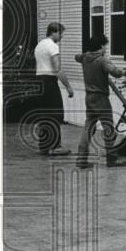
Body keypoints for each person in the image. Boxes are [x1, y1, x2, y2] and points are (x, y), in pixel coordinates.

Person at [74, 34, 126, 168]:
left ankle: (81, 159)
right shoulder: (102, 60)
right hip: (100, 98)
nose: (106, 47)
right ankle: (112, 159)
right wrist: (125, 72)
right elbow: (115, 72)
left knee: (88, 127)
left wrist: (87, 54)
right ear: (100, 46)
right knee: (108, 128)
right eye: (105, 45)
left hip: (89, 97)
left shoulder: (85, 58)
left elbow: (77, 56)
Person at [33, 22, 74, 156]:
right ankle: (55, 146)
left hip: (39, 80)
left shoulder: (39, 45)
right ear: (54, 32)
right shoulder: (53, 46)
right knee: (55, 113)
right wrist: (68, 86)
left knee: (43, 114)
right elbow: (57, 69)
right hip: (49, 81)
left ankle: (43, 145)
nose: (61, 36)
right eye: (61, 33)